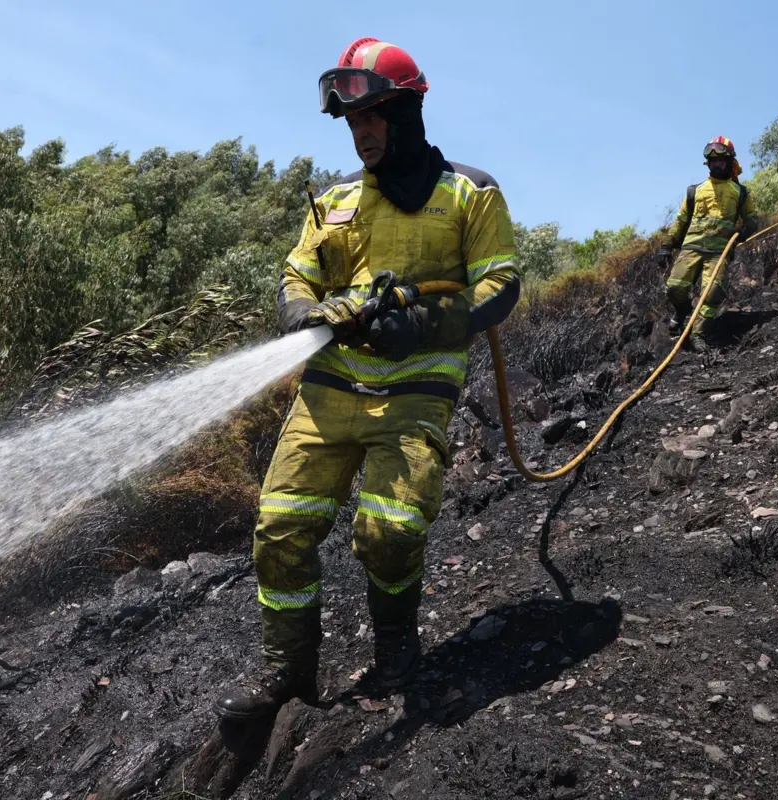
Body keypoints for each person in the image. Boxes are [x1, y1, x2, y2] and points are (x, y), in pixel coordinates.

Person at [213, 37, 521, 725]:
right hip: (329, 392)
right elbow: (298, 273)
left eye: (374, 117)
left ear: (408, 109)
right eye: (353, 123)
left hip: (414, 394)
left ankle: (395, 652)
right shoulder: (335, 199)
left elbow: (501, 285)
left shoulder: (470, 193)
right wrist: (300, 308)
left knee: (388, 531)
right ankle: (288, 675)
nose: (362, 134)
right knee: (279, 529)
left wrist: (427, 322)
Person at [657, 136, 758, 350]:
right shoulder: (695, 191)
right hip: (691, 247)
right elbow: (681, 220)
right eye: (713, 160)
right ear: (707, 163)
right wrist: (667, 246)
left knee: (712, 293)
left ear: (729, 162)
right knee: (674, 288)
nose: (717, 163)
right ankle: (683, 311)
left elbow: (752, 218)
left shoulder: (740, 193)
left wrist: (744, 231)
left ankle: (698, 334)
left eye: (721, 160)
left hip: (718, 252)